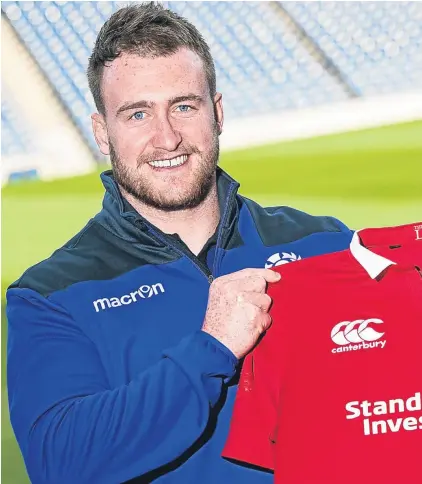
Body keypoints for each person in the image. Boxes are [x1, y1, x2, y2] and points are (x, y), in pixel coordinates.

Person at [6, 3, 353, 483]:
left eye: (184, 106)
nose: (166, 138)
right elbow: (60, 463)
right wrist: (211, 348)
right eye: (137, 114)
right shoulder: (51, 295)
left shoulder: (325, 244)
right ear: (103, 133)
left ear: (218, 113)